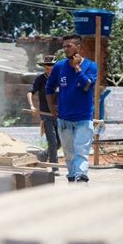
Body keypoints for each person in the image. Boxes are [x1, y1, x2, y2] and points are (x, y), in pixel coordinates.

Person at [46, 34, 97, 183]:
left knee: (81, 151)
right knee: (68, 153)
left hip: (83, 118)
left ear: (78, 48)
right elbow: (49, 88)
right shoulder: (59, 66)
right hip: (64, 119)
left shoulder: (91, 66)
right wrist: (52, 109)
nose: (65, 49)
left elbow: (87, 86)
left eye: (69, 46)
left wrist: (77, 68)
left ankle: (81, 176)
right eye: (64, 47)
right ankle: (72, 176)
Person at [27, 55, 61, 176]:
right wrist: (32, 106)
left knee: (59, 142)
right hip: (46, 115)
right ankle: (54, 167)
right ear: (44, 67)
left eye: (52, 67)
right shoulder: (40, 79)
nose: (49, 69)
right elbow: (30, 92)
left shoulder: (60, 79)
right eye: (47, 67)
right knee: (52, 141)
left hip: (59, 115)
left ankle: (43, 155)